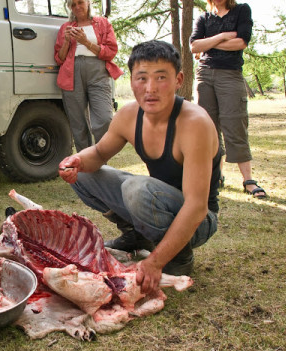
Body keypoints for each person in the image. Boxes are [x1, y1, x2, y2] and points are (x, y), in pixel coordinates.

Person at [58, 40, 221, 295]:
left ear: (178, 80)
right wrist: (75, 162)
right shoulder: (129, 115)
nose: (150, 89)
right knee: (83, 173)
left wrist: (155, 262)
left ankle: (180, 257)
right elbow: (99, 153)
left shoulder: (194, 123)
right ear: (131, 80)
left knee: (137, 189)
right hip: (158, 201)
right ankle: (136, 235)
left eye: (161, 78)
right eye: (142, 78)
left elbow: (197, 206)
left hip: (200, 220)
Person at [190, 0, 267, 199]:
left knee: (235, 123)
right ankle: (217, 176)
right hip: (204, 75)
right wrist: (223, 37)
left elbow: (241, 42)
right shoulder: (204, 17)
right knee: (208, 127)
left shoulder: (241, 10)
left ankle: (248, 180)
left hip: (230, 75)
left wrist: (209, 43)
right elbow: (194, 45)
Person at [54, 0, 123, 152]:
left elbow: (111, 51)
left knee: (105, 119)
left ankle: (101, 159)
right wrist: (66, 41)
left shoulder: (102, 23)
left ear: (88, 3)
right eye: (73, 4)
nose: (77, 7)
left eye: (80, 2)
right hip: (71, 73)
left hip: (98, 71)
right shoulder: (66, 27)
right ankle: (85, 163)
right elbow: (59, 58)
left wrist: (85, 42)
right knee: (78, 123)